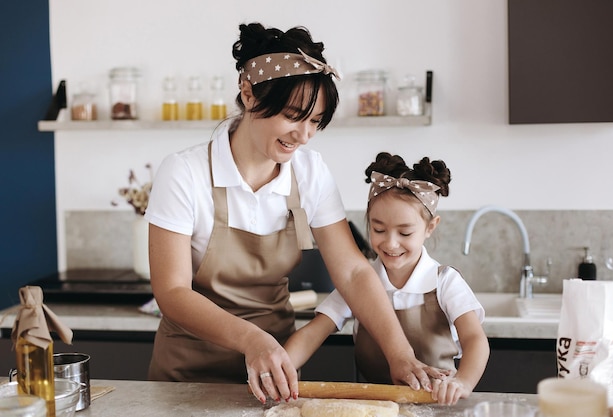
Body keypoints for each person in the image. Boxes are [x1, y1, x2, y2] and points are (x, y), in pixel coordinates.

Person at [144, 23, 447, 404]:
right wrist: (252, 339)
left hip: (276, 377)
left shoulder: (309, 171)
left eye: (315, 122)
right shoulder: (185, 172)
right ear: (248, 93)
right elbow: (171, 292)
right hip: (186, 376)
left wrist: (399, 354)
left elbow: (353, 272)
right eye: (293, 116)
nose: (304, 136)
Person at [285, 152, 490, 405]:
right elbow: (312, 333)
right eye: (378, 229)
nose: (391, 243)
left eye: (405, 232)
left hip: (436, 407)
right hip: (372, 409)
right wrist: (280, 367)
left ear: (430, 227)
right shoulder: (359, 283)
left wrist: (462, 381)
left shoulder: (445, 282)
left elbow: (475, 339)